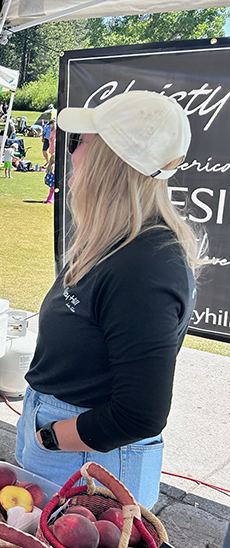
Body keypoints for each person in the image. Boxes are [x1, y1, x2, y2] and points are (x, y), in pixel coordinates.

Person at [14, 91, 200, 510]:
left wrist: (50, 437)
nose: (73, 154)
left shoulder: (146, 265)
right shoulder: (111, 241)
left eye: (81, 142)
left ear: (110, 160)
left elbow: (140, 413)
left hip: (91, 458)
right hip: (69, 444)